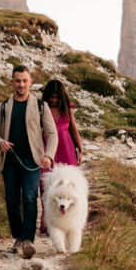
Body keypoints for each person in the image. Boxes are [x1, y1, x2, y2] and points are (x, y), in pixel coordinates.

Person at [0, 65, 58, 259]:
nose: (21, 84)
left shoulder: (40, 106)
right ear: (12, 82)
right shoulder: (2, 107)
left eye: (25, 80)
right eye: (17, 81)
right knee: (12, 201)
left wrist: (48, 156)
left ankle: (28, 241)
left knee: (29, 198)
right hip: (9, 160)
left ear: (31, 82)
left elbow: (52, 134)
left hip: (33, 161)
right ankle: (18, 237)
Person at [39, 78, 83, 234]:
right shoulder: (41, 108)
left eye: (57, 97)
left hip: (66, 148)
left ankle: (68, 223)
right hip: (49, 147)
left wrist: (80, 147)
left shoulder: (67, 108)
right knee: (47, 184)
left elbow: (73, 129)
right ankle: (47, 224)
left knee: (69, 185)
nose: (54, 100)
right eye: (51, 97)